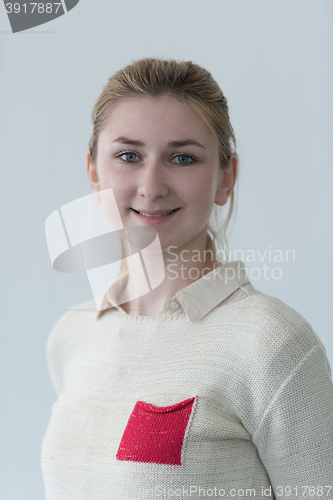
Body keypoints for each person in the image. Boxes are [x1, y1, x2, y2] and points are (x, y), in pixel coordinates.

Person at [41, 58, 333, 500]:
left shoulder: (272, 344)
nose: (152, 186)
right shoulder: (74, 334)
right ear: (94, 172)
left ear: (226, 177)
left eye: (182, 158)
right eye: (128, 156)